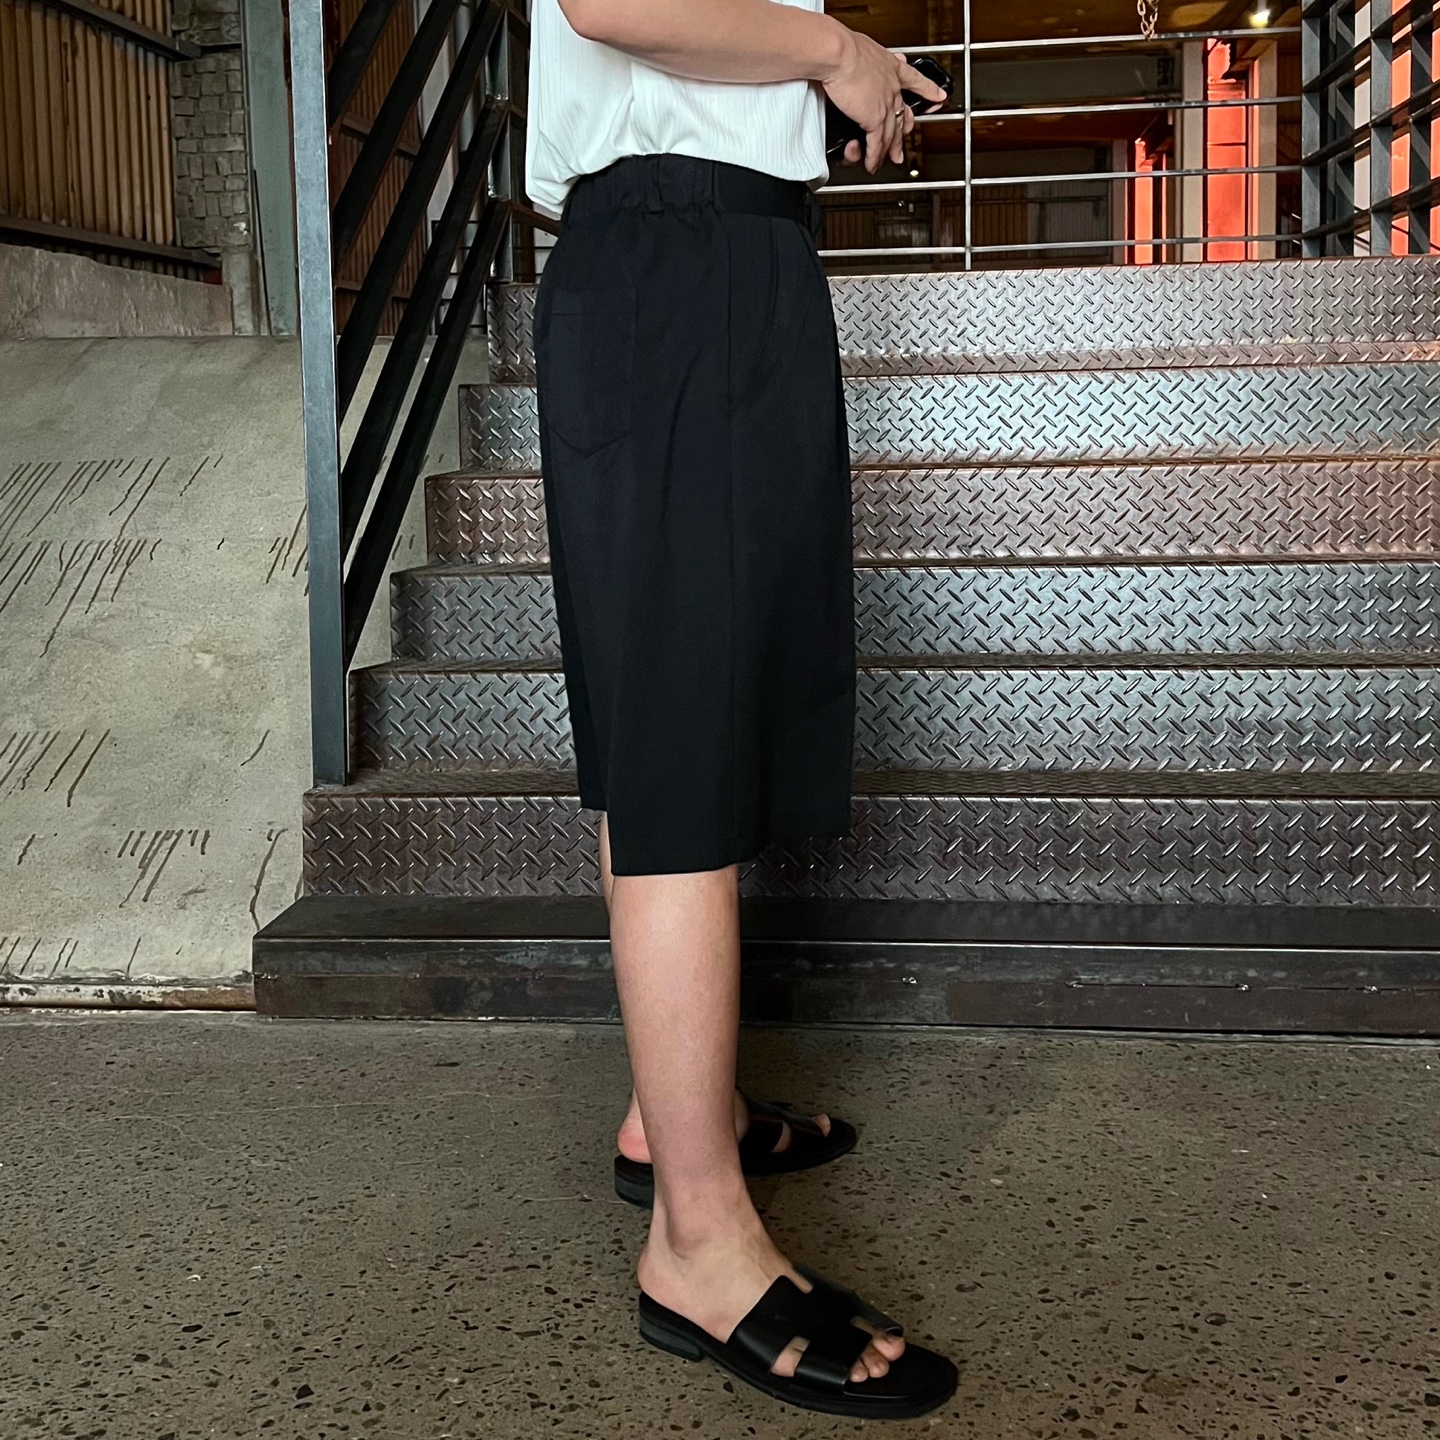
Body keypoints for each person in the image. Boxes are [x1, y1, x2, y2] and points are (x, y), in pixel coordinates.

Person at [525, 0, 957, 1418]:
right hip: (681, 257)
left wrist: (805, 68)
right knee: (678, 753)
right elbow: (616, 5)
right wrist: (837, 54)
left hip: (698, 253)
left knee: (670, 728)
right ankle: (699, 1247)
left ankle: (677, 1120)